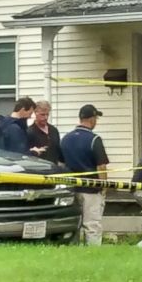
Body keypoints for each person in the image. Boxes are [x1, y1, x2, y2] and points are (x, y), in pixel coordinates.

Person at [60, 104, 109, 246]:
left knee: (73, 223)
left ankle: (73, 250)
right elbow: (101, 166)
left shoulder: (66, 139)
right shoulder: (94, 139)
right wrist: (104, 187)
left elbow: (61, 164)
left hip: (72, 188)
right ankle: (92, 252)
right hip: (91, 190)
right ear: (92, 119)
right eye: (96, 118)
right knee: (92, 225)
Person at [26, 99, 63, 165]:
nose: (45, 117)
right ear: (35, 113)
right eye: (42, 115)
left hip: (54, 169)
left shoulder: (53, 130)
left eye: (47, 114)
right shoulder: (29, 132)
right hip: (38, 170)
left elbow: (58, 152)